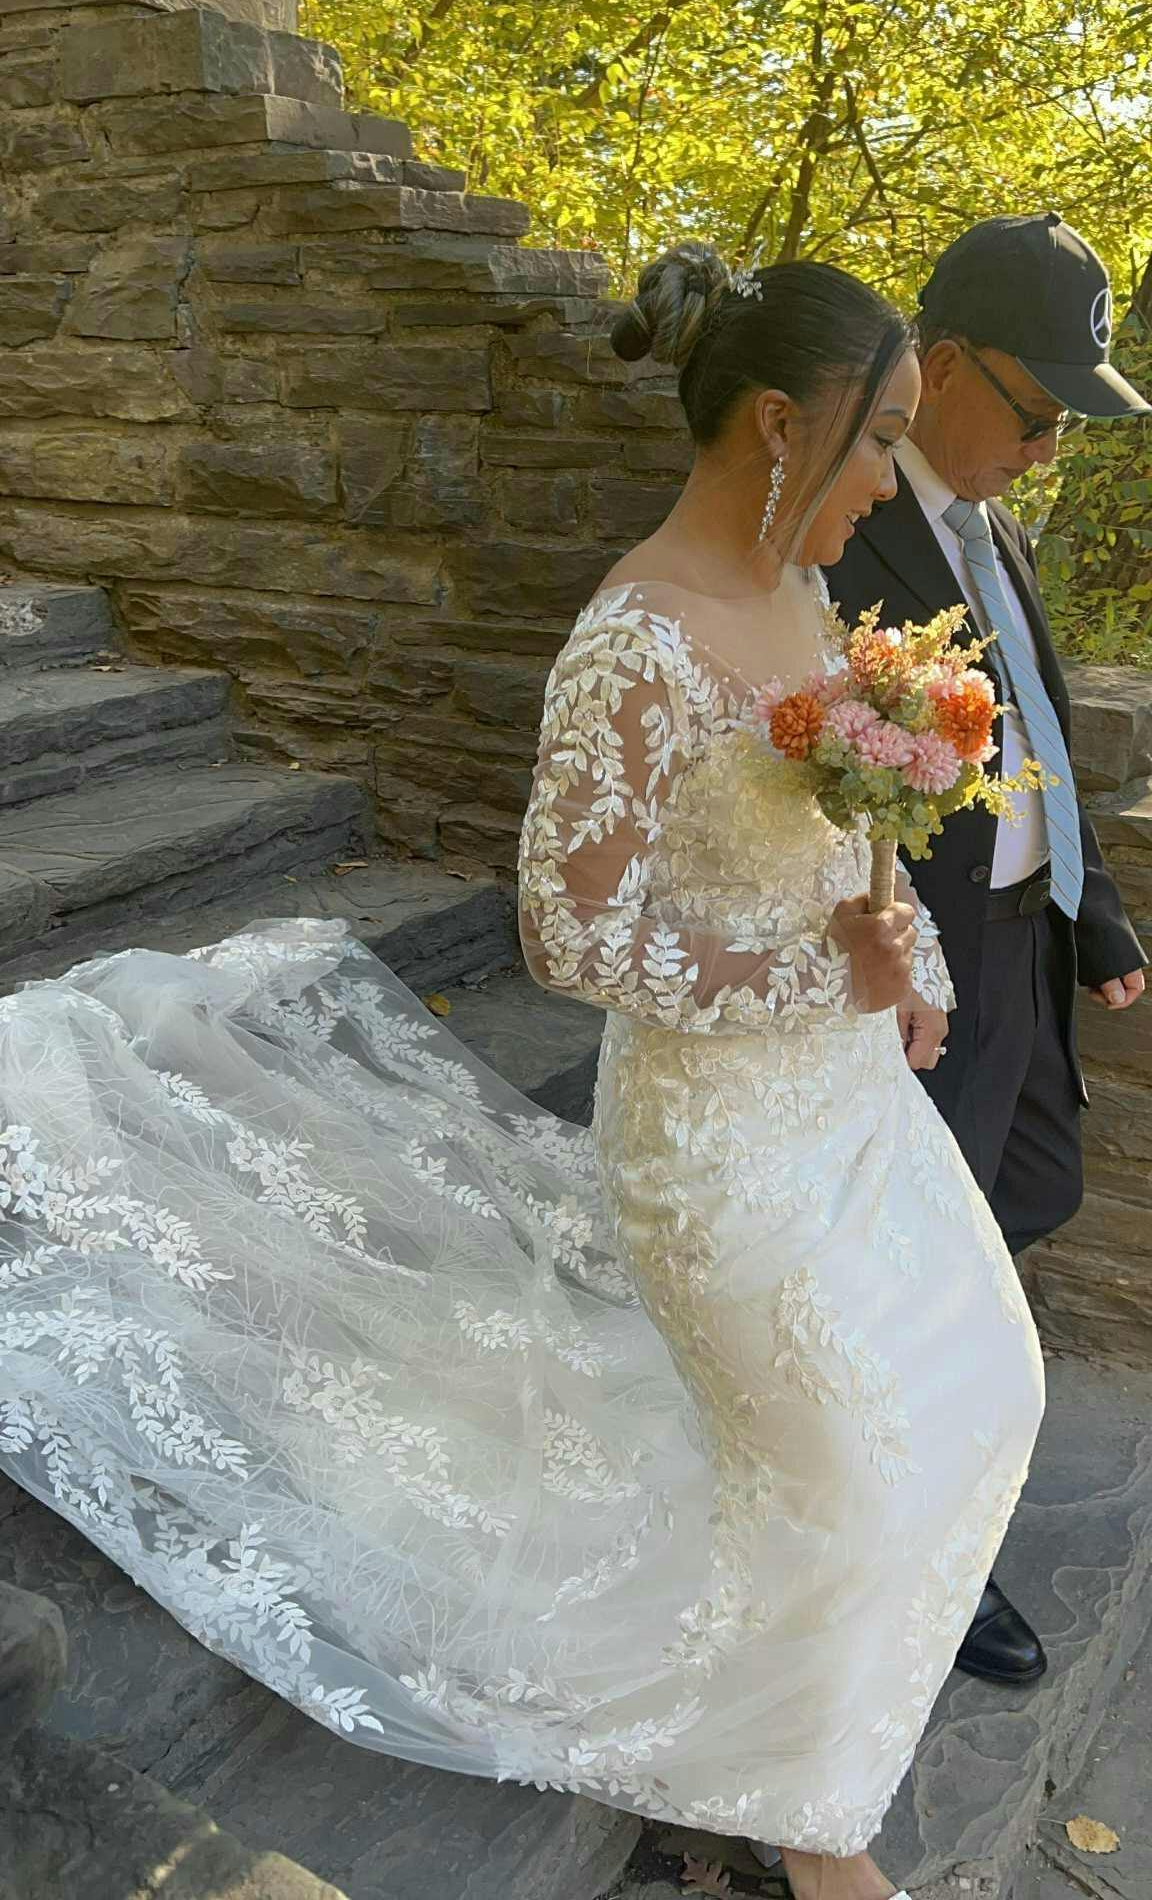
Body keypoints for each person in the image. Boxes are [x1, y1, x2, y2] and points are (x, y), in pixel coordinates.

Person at [0, 248, 1045, 1900]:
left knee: (989, 1378)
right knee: (844, 1462)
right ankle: (810, 1826)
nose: (886, 478)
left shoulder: (807, 593)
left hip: (848, 1105)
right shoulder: (633, 643)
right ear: (782, 426)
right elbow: (568, 937)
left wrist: (900, 952)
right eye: (877, 437)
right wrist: (815, 980)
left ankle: (821, 1723)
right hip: (716, 1144)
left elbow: (835, 836)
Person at [825, 213, 1148, 1695]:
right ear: (942, 363)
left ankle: (930, 1444)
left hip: (1022, 949)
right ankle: (921, 1551)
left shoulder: (995, 529)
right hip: (920, 982)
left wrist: (1095, 916)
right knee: (915, 1266)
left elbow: (1038, 743)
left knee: (1031, 1191)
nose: (1048, 448)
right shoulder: (842, 531)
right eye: (1035, 413)